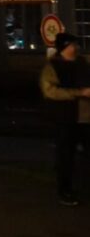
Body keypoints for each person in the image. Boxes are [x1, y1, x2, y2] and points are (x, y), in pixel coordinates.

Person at [39, 32, 90, 206]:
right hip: (66, 118)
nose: (75, 48)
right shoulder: (53, 66)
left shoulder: (82, 62)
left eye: (75, 45)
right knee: (66, 155)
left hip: (86, 117)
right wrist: (78, 93)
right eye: (71, 45)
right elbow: (50, 91)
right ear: (64, 48)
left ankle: (80, 186)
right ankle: (65, 190)